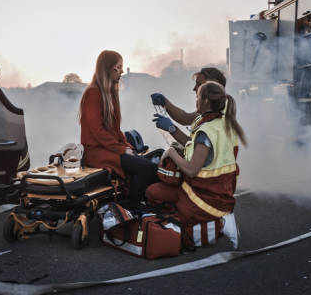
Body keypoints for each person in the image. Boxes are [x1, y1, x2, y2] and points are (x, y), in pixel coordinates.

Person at [146, 81, 247, 241]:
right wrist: (171, 128)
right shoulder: (221, 122)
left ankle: (186, 222)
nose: (196, 100)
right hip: (221, 194)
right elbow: (193, 145)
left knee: (153, 192)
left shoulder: (207, 130)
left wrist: (171, 152)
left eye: (198, 96)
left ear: (206, 100)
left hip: (202, 198)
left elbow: (192, 170)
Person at [79, 50, 158, 202]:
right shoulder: (93, 93)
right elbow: (97, 131)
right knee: (148, 169)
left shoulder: (109, 93)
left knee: (148, 164)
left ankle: (134, 203)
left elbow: (115, 130)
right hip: (97, 153)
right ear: (109, 68)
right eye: (119, 67)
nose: (122, 71)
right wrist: (122, 149)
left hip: (109, 149)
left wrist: (127, 146)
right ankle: (132, 207)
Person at [151, 67, 227, 143]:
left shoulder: (216, 118)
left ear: (214, 87)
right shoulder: (211, 112)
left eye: (199, 84)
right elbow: (185, 118)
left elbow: (196, 150)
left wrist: (172, 128)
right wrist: (165, 102)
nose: (194, 88)